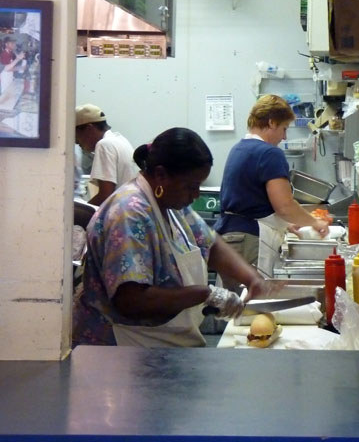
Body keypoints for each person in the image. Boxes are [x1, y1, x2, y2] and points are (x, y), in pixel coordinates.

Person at [72, 127, 268, 347]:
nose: (196, 195)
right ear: (161, 175)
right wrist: (205, 293)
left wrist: (251, 279)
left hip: (160, 340)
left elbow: (210, 244)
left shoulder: (172, 204)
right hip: (121, 347)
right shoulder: (129, 213)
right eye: (191, 187)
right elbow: (131, 300)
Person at [214, 95, 329, 289]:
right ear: (271, 122)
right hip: (249, 242)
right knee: (252, 309)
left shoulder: (239, 149)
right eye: (284, 129)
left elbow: (252, 201)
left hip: (229, 240)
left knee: (234, 308)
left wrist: (284, 224)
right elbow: (284, 206)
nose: (284, 137)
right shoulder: (269, 153)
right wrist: (314, 222)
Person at [75, 103, 138, 205]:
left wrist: (82, 211)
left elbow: (106, 196)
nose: (76, 142)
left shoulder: (104, 145)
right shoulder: (120, 139)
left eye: (76, 135)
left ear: (89, 129)